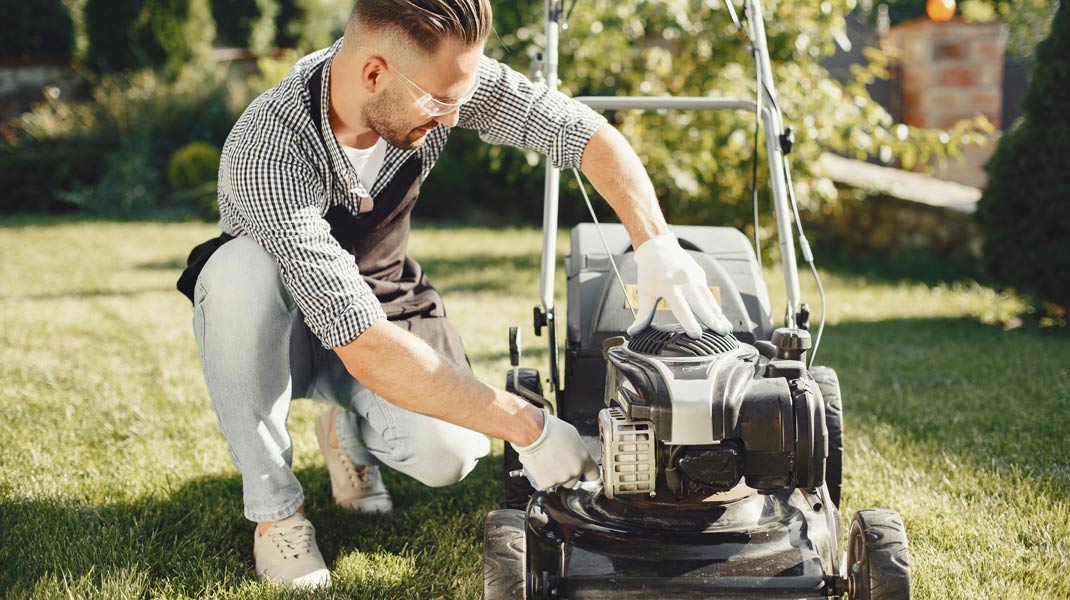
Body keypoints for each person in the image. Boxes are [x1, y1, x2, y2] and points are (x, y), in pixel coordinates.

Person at [177, 0, 732, 588]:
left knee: (450, 454)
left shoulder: (444, 78)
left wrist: (655, 243)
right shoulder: (267, 149)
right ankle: (277, 516)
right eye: (440, 103)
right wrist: (532, 427)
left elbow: (582, 130)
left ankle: (345, 427)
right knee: (239, 272)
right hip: (282, 326)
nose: (452, 117)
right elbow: (363, 343)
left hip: (383, 296)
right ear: (373, 74)